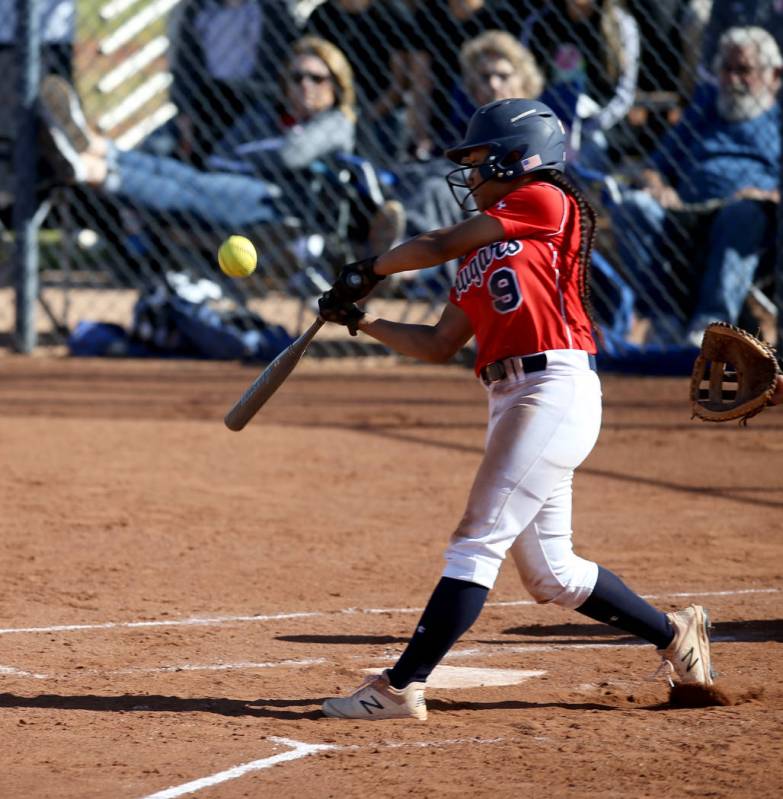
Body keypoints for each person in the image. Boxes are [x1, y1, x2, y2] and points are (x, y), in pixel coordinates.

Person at [314, 98, 715, 721]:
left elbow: (441, 241)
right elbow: (438, 343)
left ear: (516, 157)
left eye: (478, 161)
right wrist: (362, 320)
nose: (470, 175)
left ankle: (399, 687)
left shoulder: (546, 199)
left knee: (478, 538)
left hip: (552, 388)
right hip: (509, 400)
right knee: (551, 575)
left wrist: (370, 268)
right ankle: (674, 634)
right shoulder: (481, 257)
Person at [38, 37, 400, 264]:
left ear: (336, 87)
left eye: (316, 78)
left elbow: (291, 156)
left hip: (283, 204)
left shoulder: (337, 121)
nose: (305, 86)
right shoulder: (269, 115)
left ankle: (88, 168)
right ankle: (92, 145)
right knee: (173, 172)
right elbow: (226, 155)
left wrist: (254, 154)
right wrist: (259, 153)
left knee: (188, 188)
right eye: (296, 77)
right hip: (241, 183)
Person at [609, 25, 781, 346]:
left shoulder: (778, 120)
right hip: (684, 213)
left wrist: (766, 195)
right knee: (632, 207)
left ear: (774, 75)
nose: (732, 80)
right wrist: (659, 188)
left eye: (743, 70)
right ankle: (665, 318)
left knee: (743, 214)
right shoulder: (703, 110)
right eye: (726, 70)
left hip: (747, 219)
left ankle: (711, 324)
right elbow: (653, 169)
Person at [168, 0, 298, 166]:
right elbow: (184, 67)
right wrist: (185, 112)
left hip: (259, 98)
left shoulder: (271, 7)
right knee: (164, 147)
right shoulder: (197, 9)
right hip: (209, 100)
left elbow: (286, 58)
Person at [406, 0, 531, 161]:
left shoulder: (502, 14)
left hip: (495, 106)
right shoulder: (430, 15)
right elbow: (420, 82)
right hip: (445, 116)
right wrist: (420, 135)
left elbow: (518, 70)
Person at [522, 0, 640, 169]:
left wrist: (584, 128)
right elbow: (524, 81)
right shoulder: (540, 22)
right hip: (547, 123)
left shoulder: (621, 25)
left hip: (598, 127)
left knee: (585, 155)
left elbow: (624, 94)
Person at [304, 0, 418, 166]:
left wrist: (363, 118)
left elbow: (399, 86)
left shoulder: (391, 14)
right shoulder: (322, 14)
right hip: (333, 109)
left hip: (380, 110)